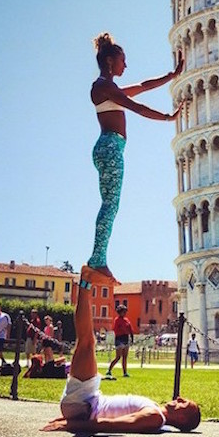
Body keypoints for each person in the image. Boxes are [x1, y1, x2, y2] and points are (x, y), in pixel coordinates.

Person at [41, 266, 200, 434]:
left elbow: (112, 425)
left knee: (87, 341)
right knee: (87, 341)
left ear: (182, 418)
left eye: (184, 404)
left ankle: (86, 280)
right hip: (86, 401)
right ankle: (86, 280)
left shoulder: (155, 417)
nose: (179, 398)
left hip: (84, 403)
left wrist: (71, 425)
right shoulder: (156, 411)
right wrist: (70, 419)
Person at [87, 32, 183, 278]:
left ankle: (99, 257)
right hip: (110, 147)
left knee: (110, 204)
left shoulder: (108, 87)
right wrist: (167, 117)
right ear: (110, 61)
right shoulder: (103, 86)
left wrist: (171, 76)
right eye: (123, 60)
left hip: (110, 147)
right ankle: (98, 259)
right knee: (110, 205)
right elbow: (136, 106)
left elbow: (142, 87)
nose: (125, 65)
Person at [106, 305, 134, 379]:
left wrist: (131, 337)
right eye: (123, 311)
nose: (125, 313)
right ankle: (109, 370)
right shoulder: (117, 320)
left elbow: (130, 329)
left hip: (126, 338)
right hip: (119, 339)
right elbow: (115, 330)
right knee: (118, 357)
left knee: (125, 357)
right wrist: (122, 330)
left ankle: (125, 372)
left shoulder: (126, 320)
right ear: (120, 312)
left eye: (125, 311)